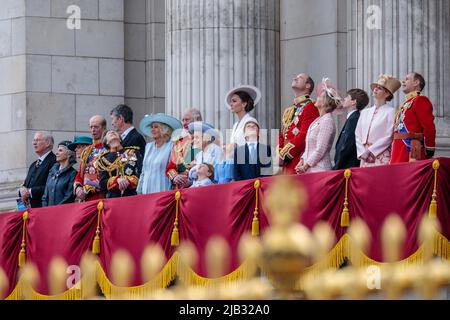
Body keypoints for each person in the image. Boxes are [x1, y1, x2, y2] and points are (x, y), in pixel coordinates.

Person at [355, 74, 401, 167]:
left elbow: (389, 136)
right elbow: (358, 134)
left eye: (379, 88)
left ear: (387, 94)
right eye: (375, 87)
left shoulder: (391, 112)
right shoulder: (364, 112)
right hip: (364, 157)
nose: (375, 89)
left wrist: (370, 151)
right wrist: (362, 152)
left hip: (381, 155)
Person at [391, 72, 436, 163]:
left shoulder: (420, 100)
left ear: (416, 83)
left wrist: (429, 149)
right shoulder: (405, 103)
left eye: (407, 79)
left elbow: (429, 127)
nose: (403, 81)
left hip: (411, 150)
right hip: (398, 149)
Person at [296, 78, 339, 174]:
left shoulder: (327, 121)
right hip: (310, 170)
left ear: (325, 103)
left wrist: (305, 166)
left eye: (320, 97)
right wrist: (302, 161)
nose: (317, 98)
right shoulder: (318, 120)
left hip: (320, 170)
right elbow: (309, 147)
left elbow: (320, 149)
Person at [279, 73, 319, 174]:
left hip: (298, 159)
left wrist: (285, 154)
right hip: (286, 161)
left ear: (307, 85)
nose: (295, 78)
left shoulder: (311, 106)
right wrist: (280, 153)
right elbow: (283, 135)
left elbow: (304, 134)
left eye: (300, 77)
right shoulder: (290, 109)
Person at [137, 114, 182, 194]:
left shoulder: (171, 146)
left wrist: (175, 177)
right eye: (151, 127)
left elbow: (173, 167)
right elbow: (144, 171)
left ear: (164, 129)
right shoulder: (148, 146)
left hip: (162, 189)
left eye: (156, 127)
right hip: (146, 191)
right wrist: (139, 189)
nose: (152, 129)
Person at [97, 131, 142, 198]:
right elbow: (102, 183)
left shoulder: (133, 152)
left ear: (120, 139)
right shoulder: (103, 159)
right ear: (106, 142)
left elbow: (142, 172)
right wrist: (117, 180)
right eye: (109, 133)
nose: (112, 132)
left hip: (132, 195)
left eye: (114, 132)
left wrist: (128, 181)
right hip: (113, 197)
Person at [166, 108, 203, 189]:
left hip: (200, 185)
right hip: (180, 188)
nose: (184, 123)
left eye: (187, 120)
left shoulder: (206, 140)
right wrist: (175, 177)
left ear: (197, 120)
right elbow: (170, 168)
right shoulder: (179, 142)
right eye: (183, 120)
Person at [333, 89, 370, 170]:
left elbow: (347, 144)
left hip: (347, 166)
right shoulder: (352, 117)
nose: (344, 99)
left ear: (353, 102)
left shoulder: (354, 118)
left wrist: (337, 166)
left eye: (347, 97)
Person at [73, 115, 107, 202]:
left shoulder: (108, 148)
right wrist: (78, 188)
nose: (93, 130)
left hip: (102, 197)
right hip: (86, 199)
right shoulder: (87, 151)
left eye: (96, 127)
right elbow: (80, 174)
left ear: (104, 128)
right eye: (91, 127)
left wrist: (87, 188)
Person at [19, 132, 57, 208]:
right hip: (29, 209)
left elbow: (52, 186)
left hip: (44, 207)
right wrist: (22, 189)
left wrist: (30, 192)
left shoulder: (54, 161)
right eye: (34, 140)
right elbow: (26, 184)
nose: (34, 143)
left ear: (48, 143)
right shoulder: (33, 165)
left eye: (37, 140)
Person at [42, 141, 77, 207]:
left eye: (60, 150)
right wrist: (45, 210)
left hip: (63, 212)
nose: (56, 153)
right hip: (48, 213)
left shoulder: (73, 173)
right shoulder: (52, 171)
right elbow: (45, 196)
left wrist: (56, 210)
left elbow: (69, 197)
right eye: (57, 150)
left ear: (69, 154)